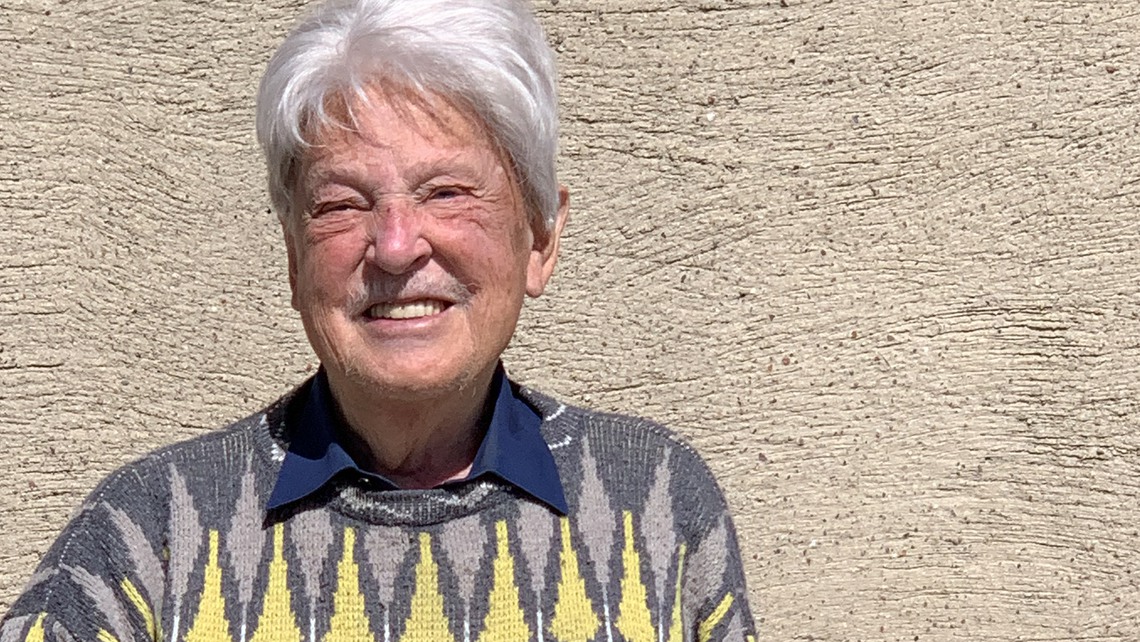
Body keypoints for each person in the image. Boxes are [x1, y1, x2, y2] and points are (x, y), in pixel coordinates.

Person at [0, 0, 757, 640]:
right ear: (294, 260)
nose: (395, 246)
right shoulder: (155, 533)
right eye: (342, 204)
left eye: (446, 192)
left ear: (539, 240)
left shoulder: (654, 503)